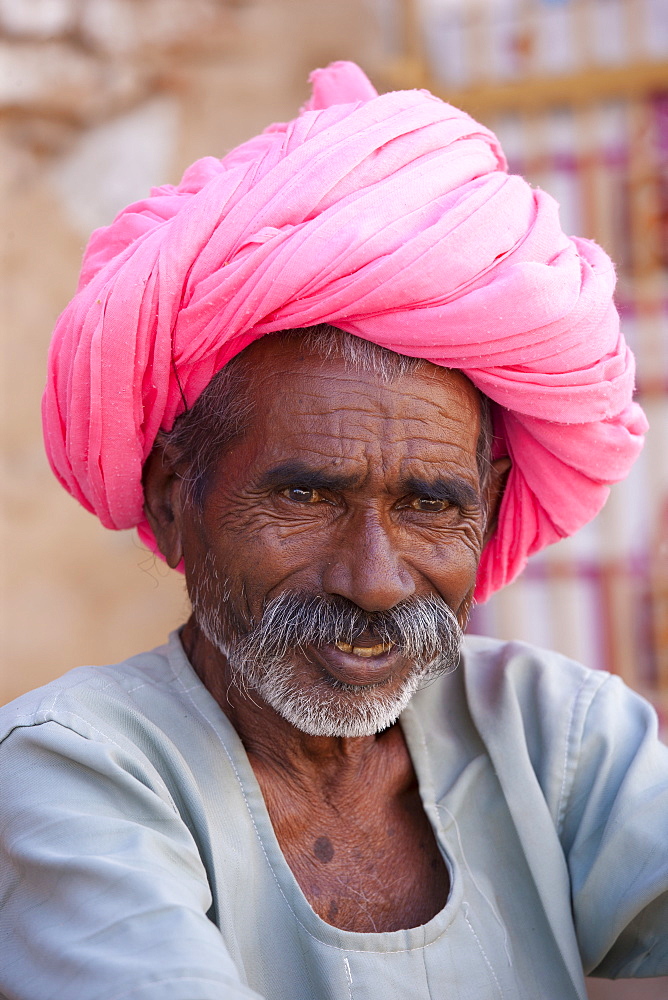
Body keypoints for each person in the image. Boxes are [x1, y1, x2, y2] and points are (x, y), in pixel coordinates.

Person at [1, 62, 666, 1000]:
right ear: (169, 499)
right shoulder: (74, 766)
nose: (377, 580)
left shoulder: (558, 735)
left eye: (432, 504)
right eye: (307, 498)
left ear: (492, 498)